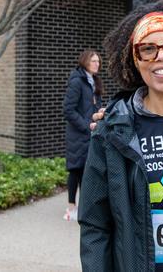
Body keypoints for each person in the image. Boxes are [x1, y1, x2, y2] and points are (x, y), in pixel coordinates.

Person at [78, 0, 163, 271]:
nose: (161, 57)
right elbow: (95, 225)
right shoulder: (112, 132)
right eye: (148, 49)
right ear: (135, 59)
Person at [62, 50, 103, 221]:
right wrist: (87, 125)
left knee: (86, 170)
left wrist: (99, 114)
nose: (97, 64)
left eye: (98, 61)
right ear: (85, 62)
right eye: (94, 61)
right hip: (78, 133)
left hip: (90, 132)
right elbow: (68, 110)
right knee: (76, 169)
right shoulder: (77, 81)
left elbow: (90, 108)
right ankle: (71, 207)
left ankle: (85, 207)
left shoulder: (93, 81)